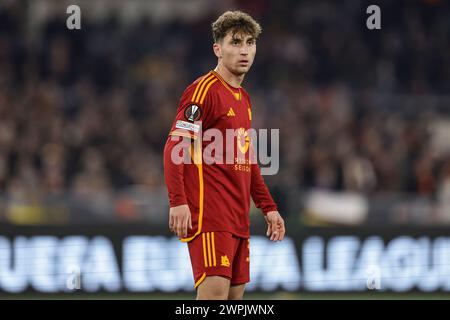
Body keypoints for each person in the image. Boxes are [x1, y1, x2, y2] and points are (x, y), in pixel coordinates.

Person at [163, 10, 285, 300]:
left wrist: (267, 206)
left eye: (250, 43)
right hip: (210, 219)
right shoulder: (203, 90)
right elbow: (175, 146)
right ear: (217, 49)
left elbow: (247, 158)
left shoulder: (244, 99)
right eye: (235, 42)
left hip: (238, 221)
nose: (244, 51)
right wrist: (178, 201)